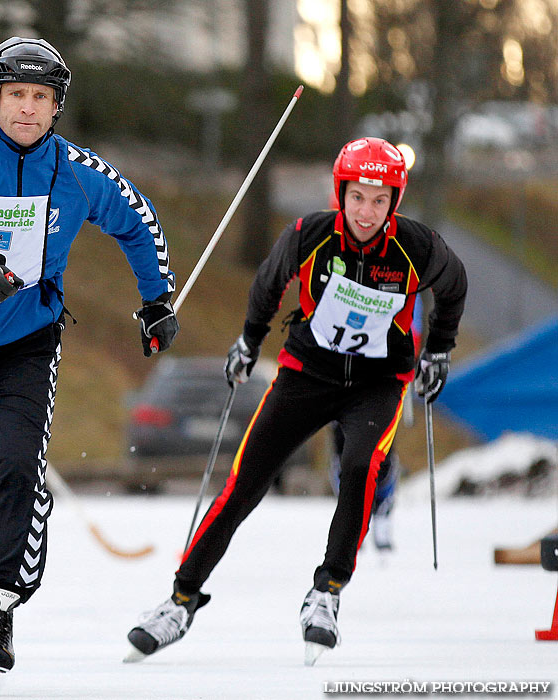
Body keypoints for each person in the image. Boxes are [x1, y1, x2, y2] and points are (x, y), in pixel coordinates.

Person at [0, 37, 177, 690]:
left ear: (54, 109)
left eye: (40, 98)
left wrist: (155, 298)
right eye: (15, 95)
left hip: (25, 338)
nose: (26, 109)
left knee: (18, 463)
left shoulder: (75, 170)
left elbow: (137, 221)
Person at [126, 137, 467, 666]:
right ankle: (180, 601)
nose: (367, 211)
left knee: (360, 466)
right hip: (306, 374)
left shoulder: (417, 247)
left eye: (380, 200)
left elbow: (455, 286)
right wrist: (250, 339)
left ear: (394, 202)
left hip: (379, 384)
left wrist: (439, 351)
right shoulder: (311, 234)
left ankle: (326, 593)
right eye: (358, 197)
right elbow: (269, 282)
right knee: (245, 483)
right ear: (342, 193)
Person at [327, 293, 423, 551]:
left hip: (382, 372)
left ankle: (382, 510)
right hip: (341, 370)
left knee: (379, 447)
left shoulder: (397, 272)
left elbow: (413, 321)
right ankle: (354, 515)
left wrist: (411, 348)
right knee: (343, 448)